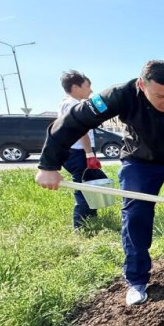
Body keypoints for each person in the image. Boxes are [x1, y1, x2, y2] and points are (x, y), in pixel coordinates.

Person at [36, 60, 164, 306]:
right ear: (142, 86)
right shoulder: (119, 95)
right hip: (140, 160)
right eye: (160, 96)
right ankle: (136, 279)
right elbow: (75, 121)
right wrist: (48, 165)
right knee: (136, 215)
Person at [58, 70, 107, 229]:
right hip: (78, 152)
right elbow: (81, 131)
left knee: (90, 183)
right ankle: (80, 226)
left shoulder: (66, 103)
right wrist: (89, 154)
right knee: (83, 187)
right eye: (87, 86)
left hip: (75, 151)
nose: (91, 90)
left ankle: (91, 219)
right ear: (75, 87)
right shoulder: (73, 105)